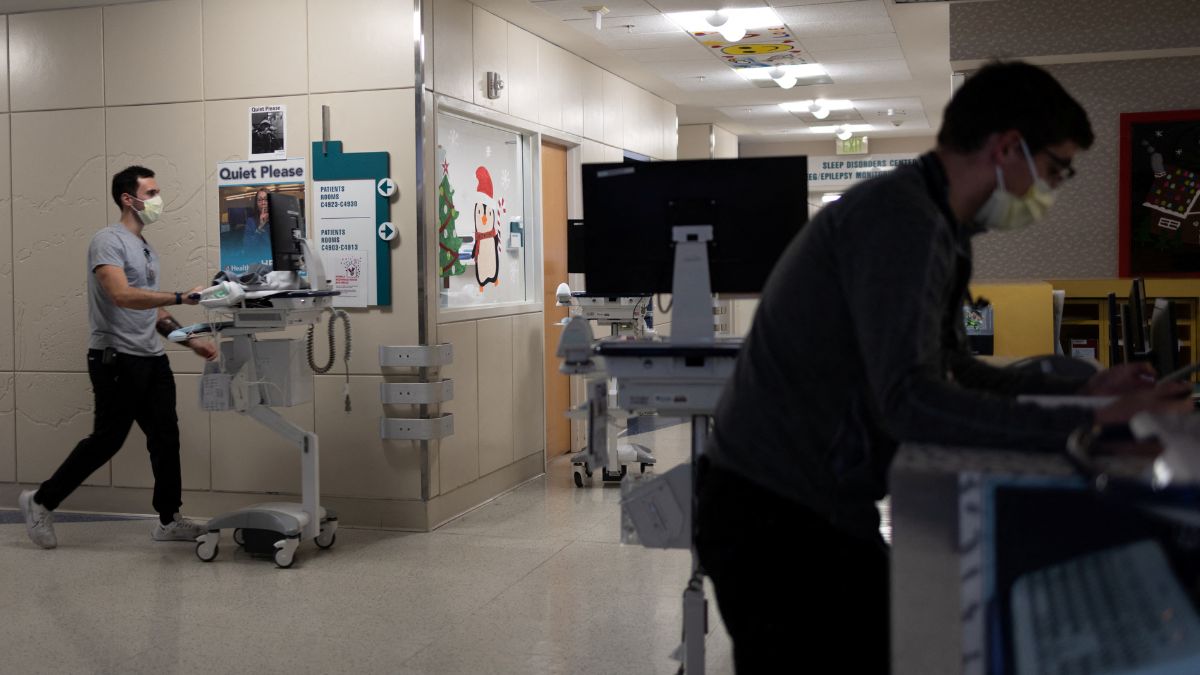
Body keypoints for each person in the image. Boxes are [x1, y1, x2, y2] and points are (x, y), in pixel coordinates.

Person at [695, 61, 1194, 674]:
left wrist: (1083, 390)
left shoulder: (935, 222)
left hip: (808, 504)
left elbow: (950, 365)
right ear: (1009, 148)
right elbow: (908, 400)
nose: (1054, 190)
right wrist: (1078, 425)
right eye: (1057, 169)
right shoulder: (902, 222)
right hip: (774, 515)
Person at [18, 165, 218, 550]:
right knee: (107, 440)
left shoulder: (145, 247)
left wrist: (189, 340)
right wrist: (181, 295)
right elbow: (121, 296)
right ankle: (41, 502)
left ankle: (168, 519)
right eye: (152, 192)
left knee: (165, 437)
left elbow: (150, 309)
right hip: (116, 359)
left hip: (151, 358)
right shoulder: (106, 241)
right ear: (129, 198)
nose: (159, 200)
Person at [241, 188, 272, 267]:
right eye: (259, 200)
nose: (263, 203)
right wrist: (260, 227)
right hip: (258, 265)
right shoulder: (251, 222)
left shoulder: (278, 220)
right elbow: (248, 249)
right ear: (256, 204)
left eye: (266, 199)